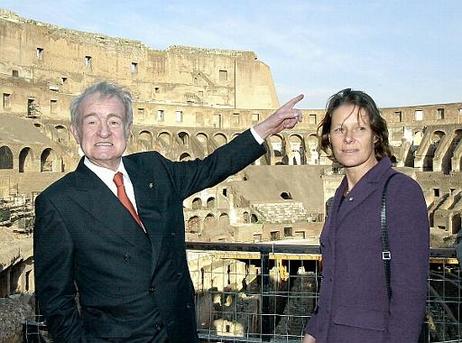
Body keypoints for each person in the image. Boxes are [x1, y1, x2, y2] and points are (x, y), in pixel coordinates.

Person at [34, 81, 303, 342]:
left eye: (114, 121)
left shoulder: (154, 169)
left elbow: (211, 167)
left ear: (128, 130)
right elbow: (55, 298)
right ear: (75, 131)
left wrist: (264, 129)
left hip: (179, 331)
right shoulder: (58, 202)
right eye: (91, 121)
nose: (104, 131)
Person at [303, 88, 429, 343]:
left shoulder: (400, 191)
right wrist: (313, 331)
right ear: (329, 138)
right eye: (339, 129)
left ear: (375, 136)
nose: (348, 138)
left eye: (360, 128)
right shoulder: (339, 196)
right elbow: (332, 280)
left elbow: (410, 296)